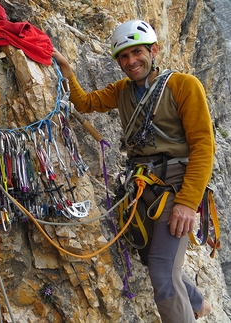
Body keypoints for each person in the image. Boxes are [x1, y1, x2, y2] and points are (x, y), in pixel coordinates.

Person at [52, 20, 215, 322]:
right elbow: (86, 103)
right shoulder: (122, 91)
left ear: (153, 50)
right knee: (146, 253)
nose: (131, 61)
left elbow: (204, 146)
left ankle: (188, 308)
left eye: (137, 52)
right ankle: (197, 303)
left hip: (176, 186)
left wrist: (188, 202)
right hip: (143, 186)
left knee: (163, 274)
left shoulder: (183, 86)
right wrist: (66, 70)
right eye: (124, 57)